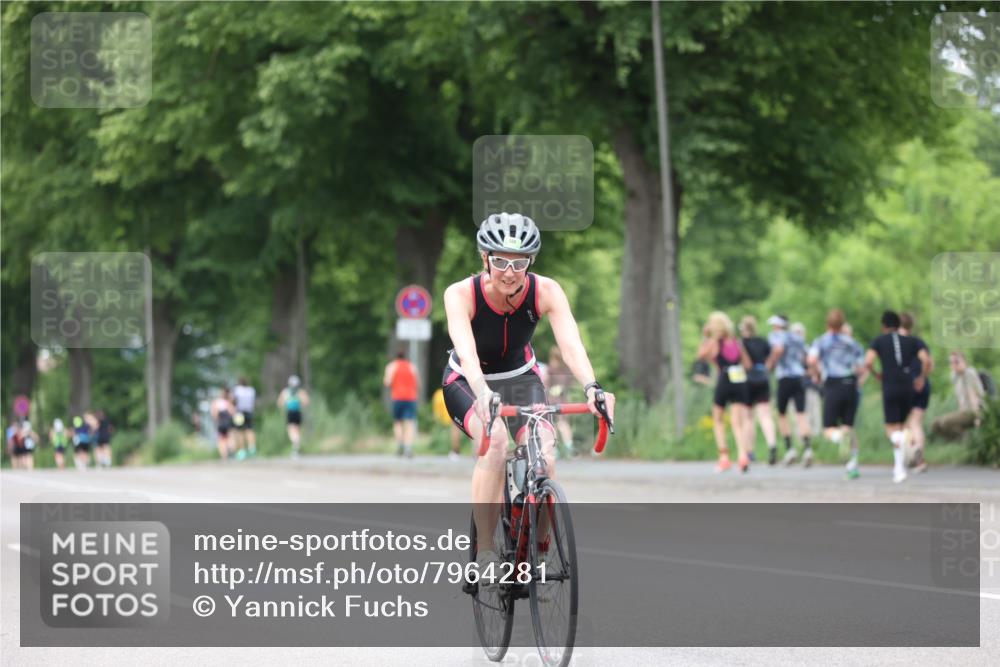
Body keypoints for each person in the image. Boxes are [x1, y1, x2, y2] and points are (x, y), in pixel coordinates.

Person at [441, 213, 615, 575]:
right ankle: (485, 551)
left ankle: (538, 552)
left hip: (521, 378)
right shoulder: (460, 294)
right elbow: (467, 354)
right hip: (468, 381)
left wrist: (592, 387)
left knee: (545, 457)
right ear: (484, 258)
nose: (509, 272)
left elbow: (571, 346)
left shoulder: (546, 291)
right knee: (496, 443)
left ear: (530, 262)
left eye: (519, 263)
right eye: (500, 261)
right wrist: (482, 393)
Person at [862, 310, 930, 484]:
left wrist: (876, 374)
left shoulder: (879, 341)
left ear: (883, 326)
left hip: (890, 385)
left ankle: (901, 461)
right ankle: (899, 467)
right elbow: (926, 360)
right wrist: (922, 378)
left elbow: (868, 361)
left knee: (892, 429)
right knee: (902, 426)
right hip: (907, 386)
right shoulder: (912, 341)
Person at [808, 309, 866, 476]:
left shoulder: (822, 341)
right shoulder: (852, 343)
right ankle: (852, 464)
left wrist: (817, 374)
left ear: (827, 323)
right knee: (849, 427)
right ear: (842, 324)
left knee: (829, 429)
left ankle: (840, 438)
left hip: (833, 384)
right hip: (850, 385)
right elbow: (861, 368)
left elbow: (812, 360)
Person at [697, 312, 752, 473]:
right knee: (737, 422)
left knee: (718, 419)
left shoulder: (715, 342)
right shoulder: (737, 342)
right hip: (739, 379)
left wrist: (706, 337)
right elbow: (747, 364)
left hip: (724, 379)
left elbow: (701, 355)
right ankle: (743, 456)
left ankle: (724, 457)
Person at [766, 315, 813, 465]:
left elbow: (778, 349)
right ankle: (807, 448)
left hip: (784, 377)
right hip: (799, 377)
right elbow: (807, 357)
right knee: (801, 414)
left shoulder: (776, 336)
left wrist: (770, 363)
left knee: (782, 414)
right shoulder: (796, 337)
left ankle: (789, 448)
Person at [739, 315, 776, 464]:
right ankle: (772, 444)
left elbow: (745, 364)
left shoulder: (742, 343)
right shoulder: (763, 341)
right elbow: (771, 359)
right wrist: (766, 369)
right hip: (763, 378)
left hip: (747, 380)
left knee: (748, 417)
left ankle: (749, 450)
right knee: (765, 415)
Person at [899, 313, 932, 473]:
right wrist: (922, 378)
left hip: (906, 384)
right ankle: (918, 458)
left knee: (906, 424)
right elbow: (928, 361)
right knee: (915, 423)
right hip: (923, 385)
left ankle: (914, 453)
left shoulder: (897, 343)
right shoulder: (918, 342)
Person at [931, 352, 987, 439]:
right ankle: (957, 442)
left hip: (974, 411)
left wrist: (977, 418)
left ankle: (966, 441)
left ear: (965, 362)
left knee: (945, 422)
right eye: (951, 362)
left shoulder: (969, 373)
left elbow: (974, 398)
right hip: (964, 411)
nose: (954, 365)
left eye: (957, 362)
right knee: (935, 424)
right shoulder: (955, 376)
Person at [384, 350, 419, 458]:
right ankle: (408, 448)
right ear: (405, 357)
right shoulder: (412, 366)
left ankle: (400, 446)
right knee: (410, 423)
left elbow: (387, 382)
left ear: (396, 357)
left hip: (397, 397)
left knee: (397, 422)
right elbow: (418, 383)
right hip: (411, 398)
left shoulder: (391, 366)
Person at [544, 347, 577, 458]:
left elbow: (546, 384)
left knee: (561, 424)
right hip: (555, 400)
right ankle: (559, 448)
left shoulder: (556, 369)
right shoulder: (556, 369)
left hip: (559, 400)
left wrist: (559, 388)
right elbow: (547, 384)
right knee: (557, 424)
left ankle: (566, 447)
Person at [278, 375, 310, 458]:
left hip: (290, 413)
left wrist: (285, 404)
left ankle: (295, 446)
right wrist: (300, 404)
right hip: (298, 412)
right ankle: (296, 448)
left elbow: (279, 403)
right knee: (297, 431)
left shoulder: (286, 392)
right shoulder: (300, 392)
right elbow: (307, 402)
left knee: (291, 431)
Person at [432, 387, 463, 461]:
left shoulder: (439, 393)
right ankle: (477, 451)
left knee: (455, 426)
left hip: (454, 392)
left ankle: (455, 451)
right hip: (463, 392)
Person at [232, 377, 257, 458]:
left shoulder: (237, 390)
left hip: (239, 412)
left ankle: (242, 451)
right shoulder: (251, 390)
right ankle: (252, 447)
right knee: (249, 430)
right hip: (249, 412)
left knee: (239, 431)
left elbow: (234, 401)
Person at [211, 389, 236, 459]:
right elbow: (233, 412)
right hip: (228, 422)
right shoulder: (228, 402)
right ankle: (232, 452)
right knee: (230, 437)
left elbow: (214, 413)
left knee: (221, 439)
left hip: (220, 422)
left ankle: (224, 456)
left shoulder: (216, 402)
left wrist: (216, 421)